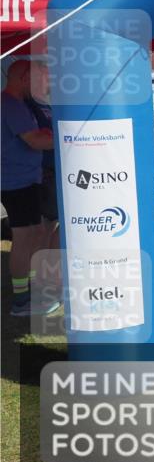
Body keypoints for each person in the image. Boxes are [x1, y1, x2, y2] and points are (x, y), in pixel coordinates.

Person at [1, 61, 59, 317]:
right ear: (23, 78)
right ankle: (22, 301)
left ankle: (31, 291)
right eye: (36, 77)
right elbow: (36, 140)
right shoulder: (10, 104)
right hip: (16, 181)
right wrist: (69, 138)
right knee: (25, 238)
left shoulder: (17, 104)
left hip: (26, 178)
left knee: (34, 233)